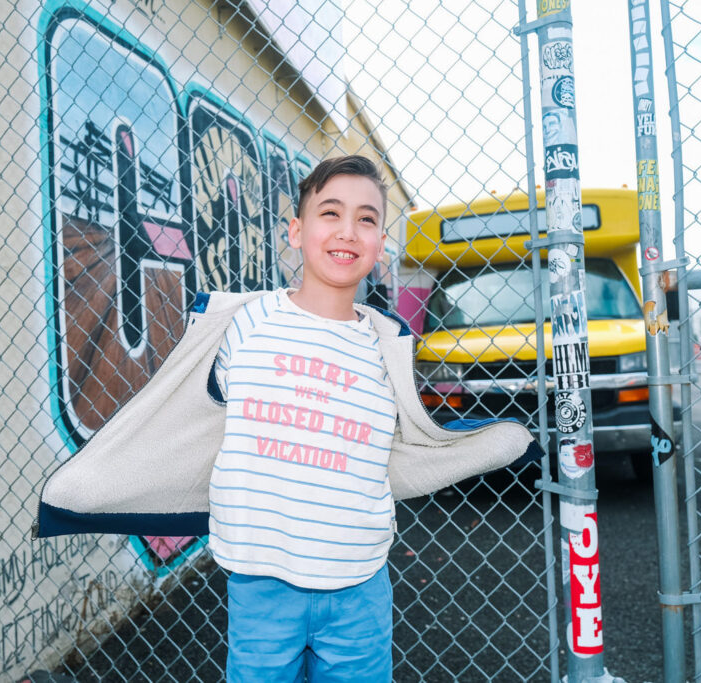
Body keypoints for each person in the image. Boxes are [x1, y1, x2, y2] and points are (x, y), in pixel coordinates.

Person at [35, 155, 542, 682]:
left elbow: (400, 448)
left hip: (358, 583)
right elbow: (197, 423)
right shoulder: (244, 323)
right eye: (330, 213)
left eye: (367, 218)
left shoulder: (385, 343)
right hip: (261, 580)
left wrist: (490, 442)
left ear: (380, 240)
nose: (348, 230)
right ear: (297, 231)